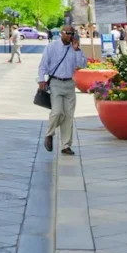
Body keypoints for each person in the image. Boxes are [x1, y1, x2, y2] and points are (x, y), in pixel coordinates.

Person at [38, 25, 87, 156]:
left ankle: (66, 145)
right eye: (68, 33)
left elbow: (82, 64)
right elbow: (43, 65)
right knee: (57, 112)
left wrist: (77, 50)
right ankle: (49, 134)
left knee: (69, 115)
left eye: (72, 34)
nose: (70, 36)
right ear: (61, 33)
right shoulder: (52, 46)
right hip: (55, 82)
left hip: (69, 83)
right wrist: (41, 80)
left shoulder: (75, 48)